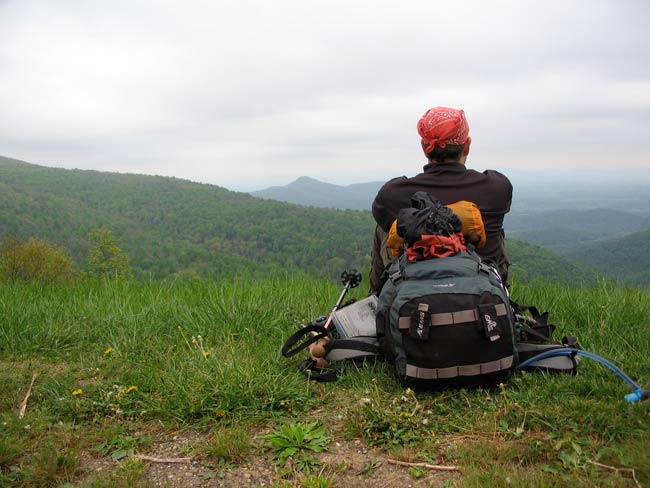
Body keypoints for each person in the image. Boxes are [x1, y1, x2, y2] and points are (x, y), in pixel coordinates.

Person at [370, 106, 512, 293]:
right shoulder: (497, 188)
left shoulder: (392, 195)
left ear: (424, 147)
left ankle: (378, 299)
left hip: (414, 296)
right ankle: (502, 296)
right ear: (467, 146)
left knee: (386, 228)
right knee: (494, 228)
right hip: (482, 295)